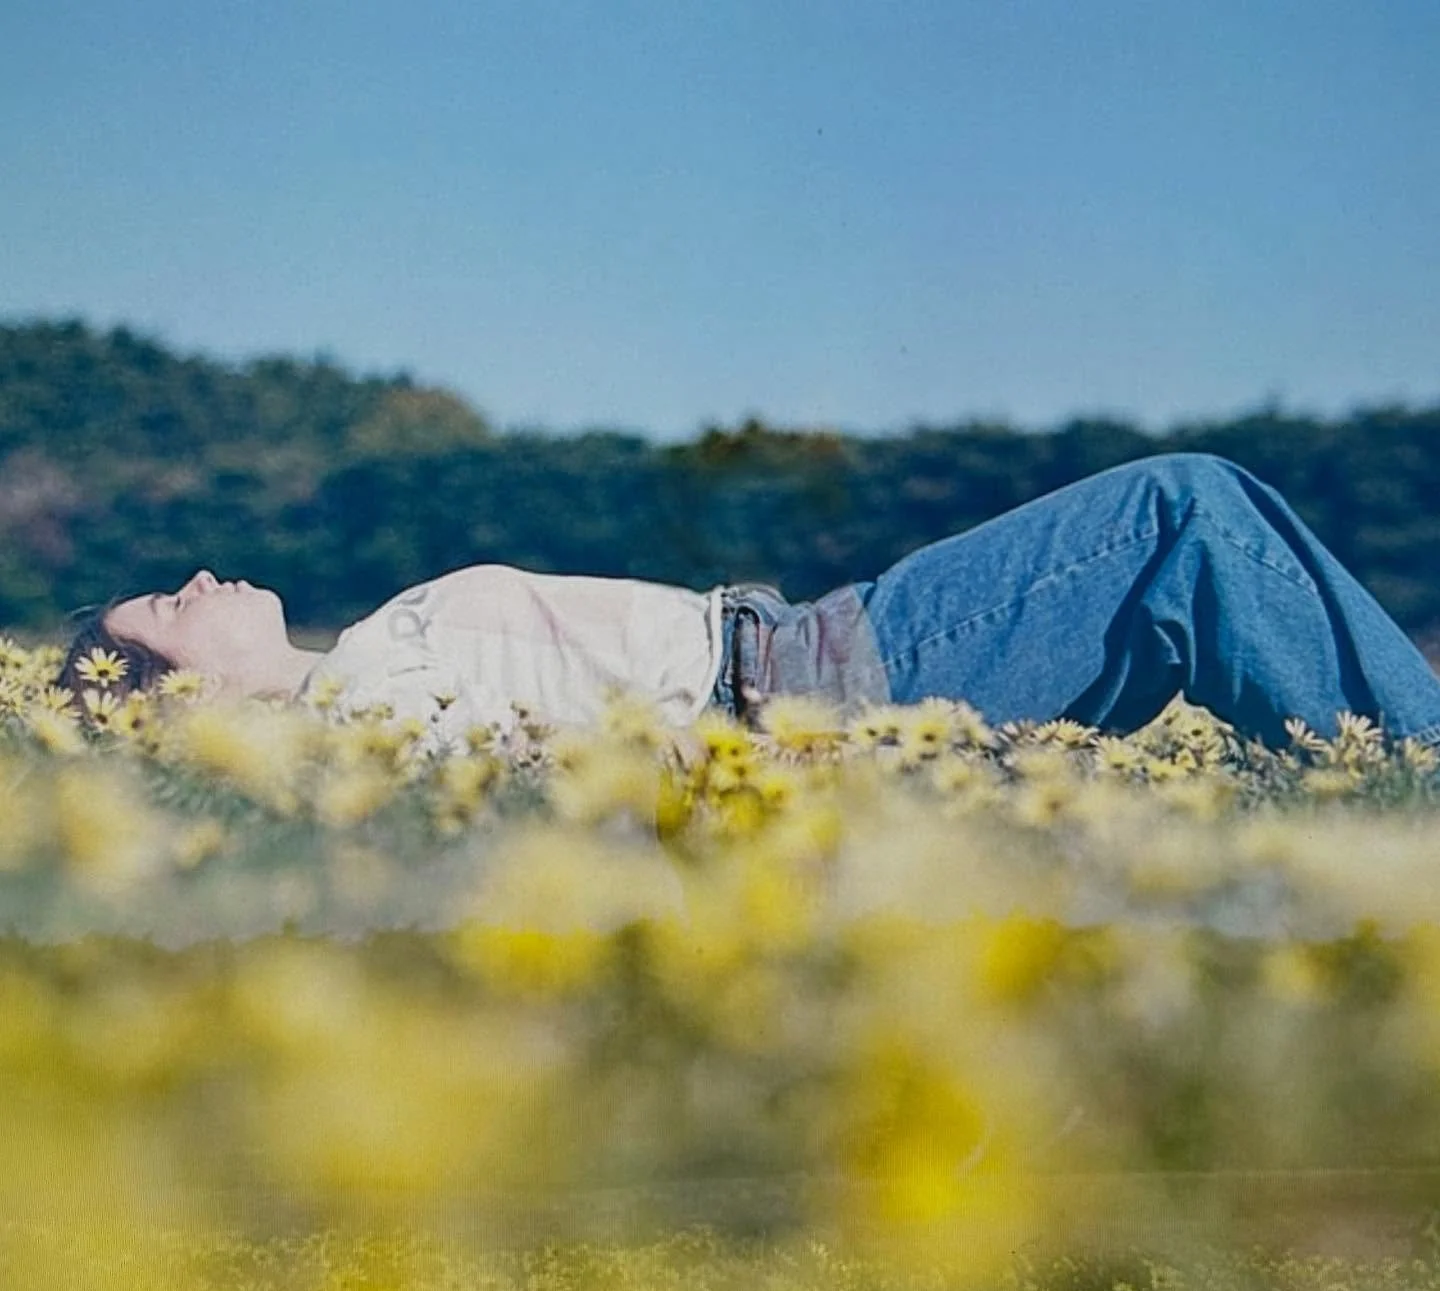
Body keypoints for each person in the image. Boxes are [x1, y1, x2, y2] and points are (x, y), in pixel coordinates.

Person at [58, 453, 1440, 753]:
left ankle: (1391, 779)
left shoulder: (363, 665)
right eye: (160, 613)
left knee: (1190, 564)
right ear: (178, 698)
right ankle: (1411, 785)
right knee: (1179, 514)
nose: (190, 580)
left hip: (807, 661)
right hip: (811, 685)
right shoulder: (360, 713)